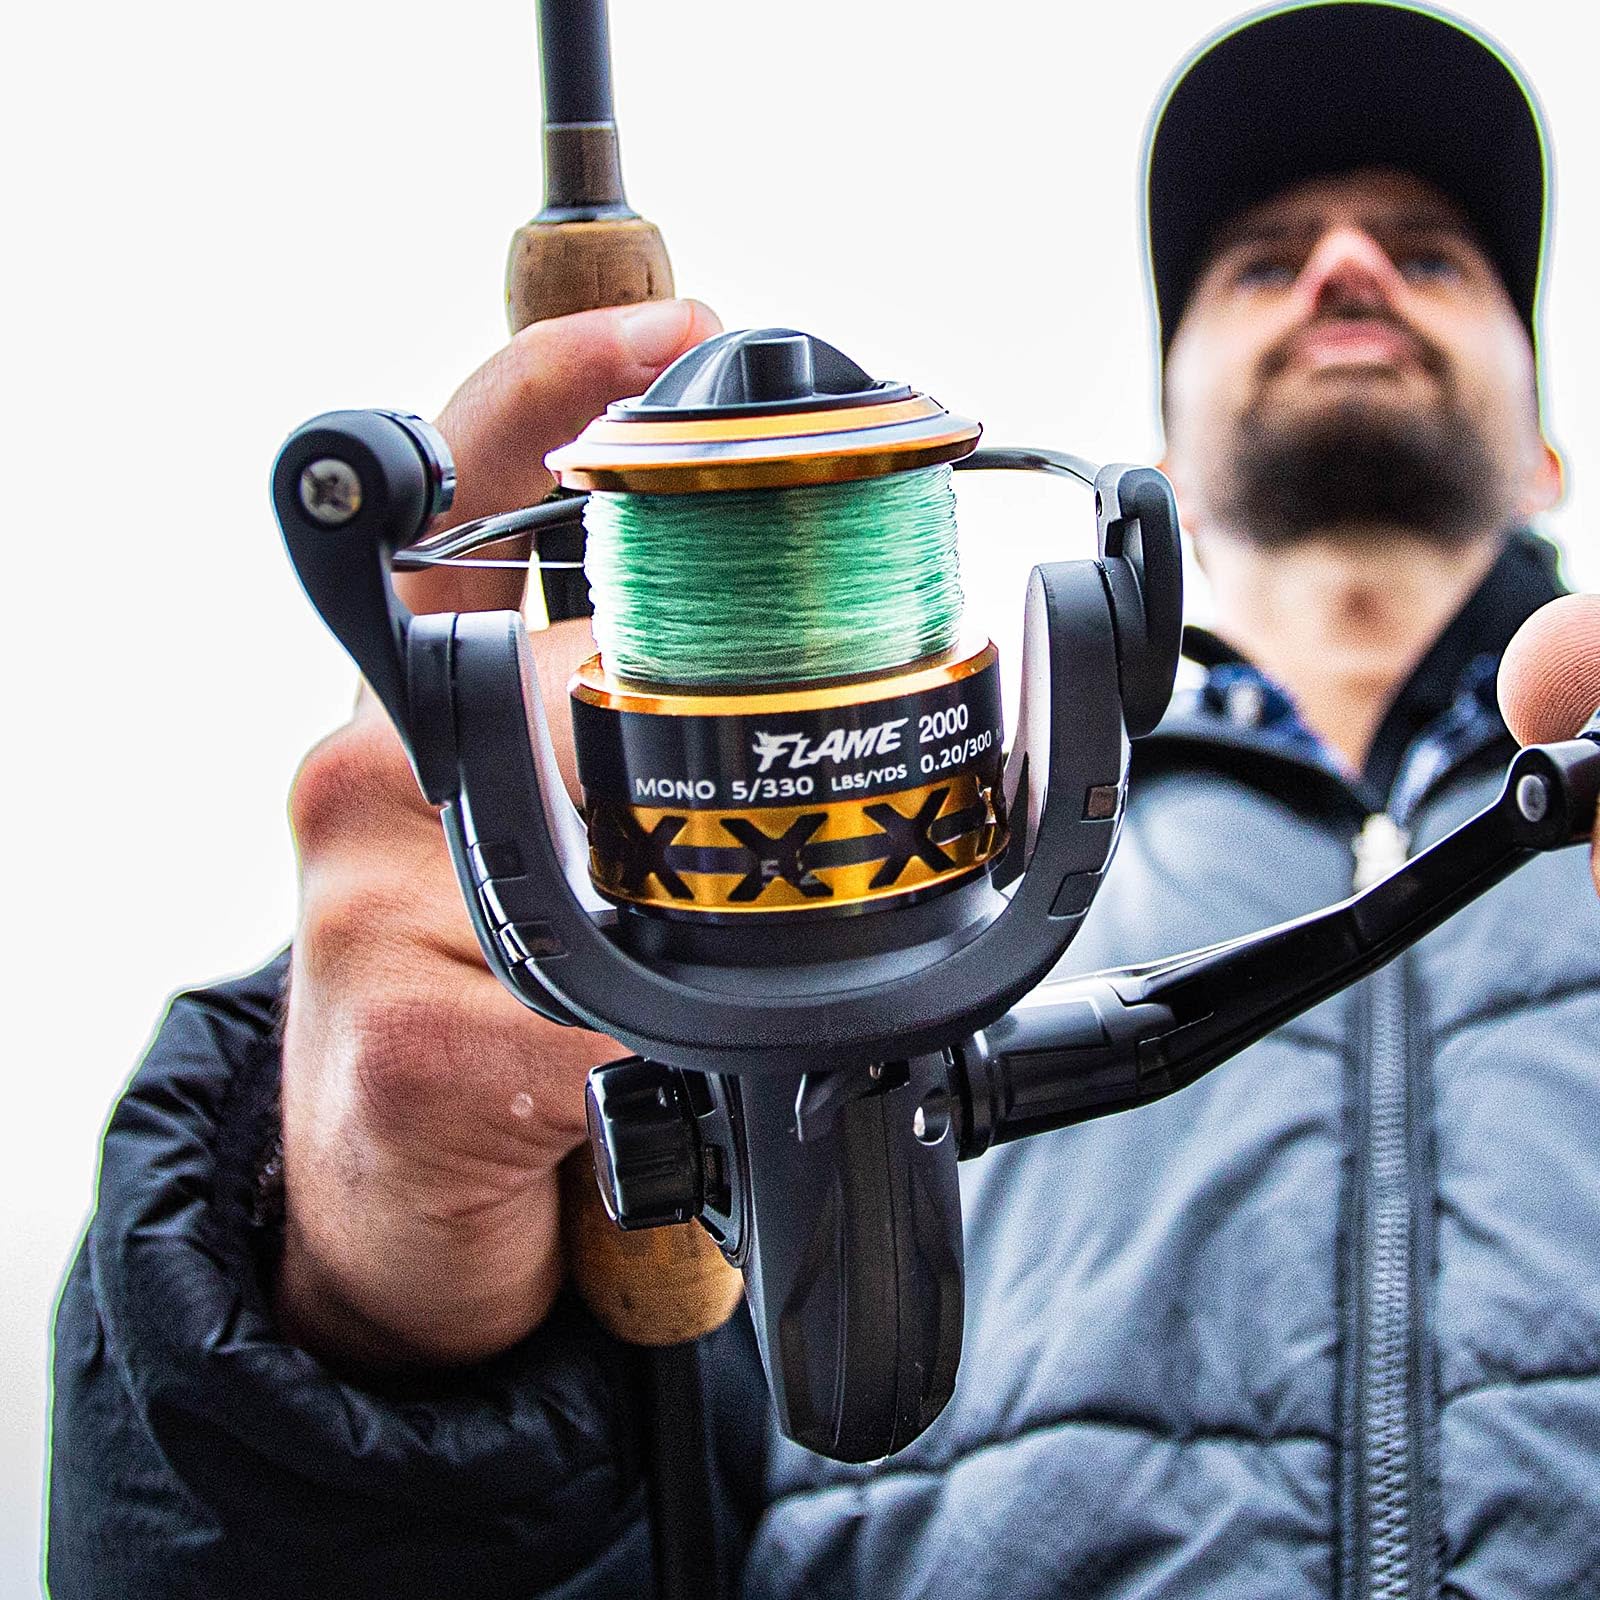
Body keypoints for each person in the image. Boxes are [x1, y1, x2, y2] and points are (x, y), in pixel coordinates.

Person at [47, 3, 1600, 1596]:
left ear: (1550, 455)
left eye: (1429, 254)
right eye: (1264, 264)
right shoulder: (681, 892)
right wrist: (358, 1338)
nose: (1345, 267)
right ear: (1167, 481)